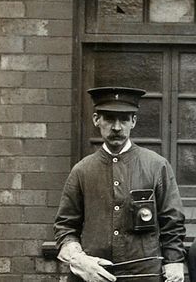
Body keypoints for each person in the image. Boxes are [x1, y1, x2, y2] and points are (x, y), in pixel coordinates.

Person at [55, 87, 187, 282]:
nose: (116, 127)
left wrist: (174, 261)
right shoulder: (82, 170)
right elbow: (65, 227)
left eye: (124, 119)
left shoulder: (156, 166)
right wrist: (80, 261)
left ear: (133, 121)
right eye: (108, 118)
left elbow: (172, 221)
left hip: (144, 275)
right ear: (96, 120)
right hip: (94, 275)